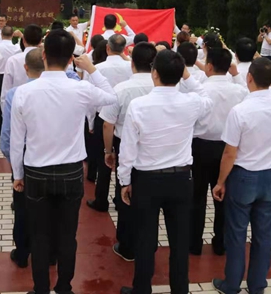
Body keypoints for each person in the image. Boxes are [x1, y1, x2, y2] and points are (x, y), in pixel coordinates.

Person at [10, 29, 117, 294]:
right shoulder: (81, 88)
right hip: (71, 172)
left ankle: (40, 289)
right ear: (71, 59)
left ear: (43, 55)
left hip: (36, 172)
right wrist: (91, 69)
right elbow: (112, 97)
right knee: (68, 235)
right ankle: (64, 287)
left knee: (39, 236)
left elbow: (17, 140)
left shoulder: (24, 92)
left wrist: (17, 175)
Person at [118, 50, 213, 294]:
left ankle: (142, 289)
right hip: (181, 179)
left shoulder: (139, 105)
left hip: (146, 180)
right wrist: (187, 75)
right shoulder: (191, 102)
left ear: (154, 73)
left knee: (145, 239)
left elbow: (128, 148)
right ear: (180, 75)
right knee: (180, 241)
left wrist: (124, 180)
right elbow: (206, 97)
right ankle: (180, 290)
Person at [211, 58, 271, 294]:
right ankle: (257, 285)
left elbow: (230, 152)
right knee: (263, 235)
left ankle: (232, 284)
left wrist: (220, 181)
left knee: (236, 234)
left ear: (249, 77)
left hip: (243, 177)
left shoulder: (240, 111)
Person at [99, 42, 157, 262]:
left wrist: (108, 151)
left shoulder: (121, 89)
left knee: (125, 190)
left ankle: (127, 244)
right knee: (150, 199)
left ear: (132, 63)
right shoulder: (164, 88)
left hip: (124, 145)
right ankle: (148, 242)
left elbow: (108, 124)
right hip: (154, 148)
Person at [189, 48, 248, 257]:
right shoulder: (240, 91)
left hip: (200, 147)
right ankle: (220, 242)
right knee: (223, 195)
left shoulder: (199, 90)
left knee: (197, 196)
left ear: (209, 66)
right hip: (228, 149)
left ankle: (194, 243)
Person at [0, 48, 44, 268]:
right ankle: (50, 253)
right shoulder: (63, 90)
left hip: (25, 156)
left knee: (23, 208)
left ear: (26, 68)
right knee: (50, 208)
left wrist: (12, 161)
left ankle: (22, 253)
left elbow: (8, 134)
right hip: (52, 156)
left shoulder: (15, 93)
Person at [85, 34, 133, 213]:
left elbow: (90, 99)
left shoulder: (97, 69)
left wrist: (91, 123)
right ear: (124, 48)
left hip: (103, 117)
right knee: (123, 159)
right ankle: (121, 198)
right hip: (126, 118)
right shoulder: (131, 67)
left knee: (103, 159)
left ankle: (101, 199)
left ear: (107, 47)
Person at [0, 24, 43, 108]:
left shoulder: (13, 60)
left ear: (23, 40)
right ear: (40, 41)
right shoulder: (46, 59)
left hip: (16, 106)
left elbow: (5, 92)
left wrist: (6, 112)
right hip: (41, 107)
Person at [0, 26, 21, 140]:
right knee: (12, 103)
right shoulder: (16, 48)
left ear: (1, 35)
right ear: (12, 35)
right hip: (12, 77)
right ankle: (12, 131)